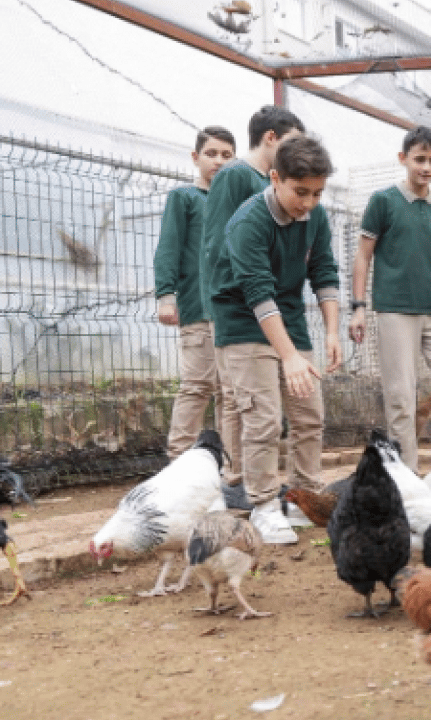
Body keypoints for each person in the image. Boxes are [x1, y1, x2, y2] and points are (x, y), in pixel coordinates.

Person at [208, 135, 341, 545]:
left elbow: (324, 272)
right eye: (300, 192)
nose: (308, 203)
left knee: (309, 415)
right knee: (263, 419)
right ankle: (264, 505)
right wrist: (289, 358)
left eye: (317, 193)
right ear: (275, 178)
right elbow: (258, 294)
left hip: (289, 319)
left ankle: (303, 500)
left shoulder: (314, 217)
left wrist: (333, 331)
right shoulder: (248, 222)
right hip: (243, 322)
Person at [349, 126, 431, 472]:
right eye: (420, 159)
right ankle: (406, 475)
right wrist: (357, 308)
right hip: (395, 311)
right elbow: (362, 256)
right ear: (403, 159)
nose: (426, 167)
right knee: (401, 397)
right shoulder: (383, 201)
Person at [200, 106, 306, 496]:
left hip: (263, 309)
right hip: (237, 306)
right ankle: (237, 481)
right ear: (271, 139)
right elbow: (217, 243)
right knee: (236, 398)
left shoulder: (269, 181)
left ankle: (246, 481)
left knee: (246, 401)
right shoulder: (235, 176)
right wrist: (225, 301)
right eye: (293, 142)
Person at [153, 126, 236, 459]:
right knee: (197, 386)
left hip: (231, 314)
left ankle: (229, 466)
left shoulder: (236, 203)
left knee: (229, 393)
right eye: (211, 153)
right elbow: (168, 248)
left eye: (227, 155)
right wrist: (166, 297)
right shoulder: (184, 198)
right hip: (198, 308)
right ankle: (178, 460)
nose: (218, 161)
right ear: (195, 157)